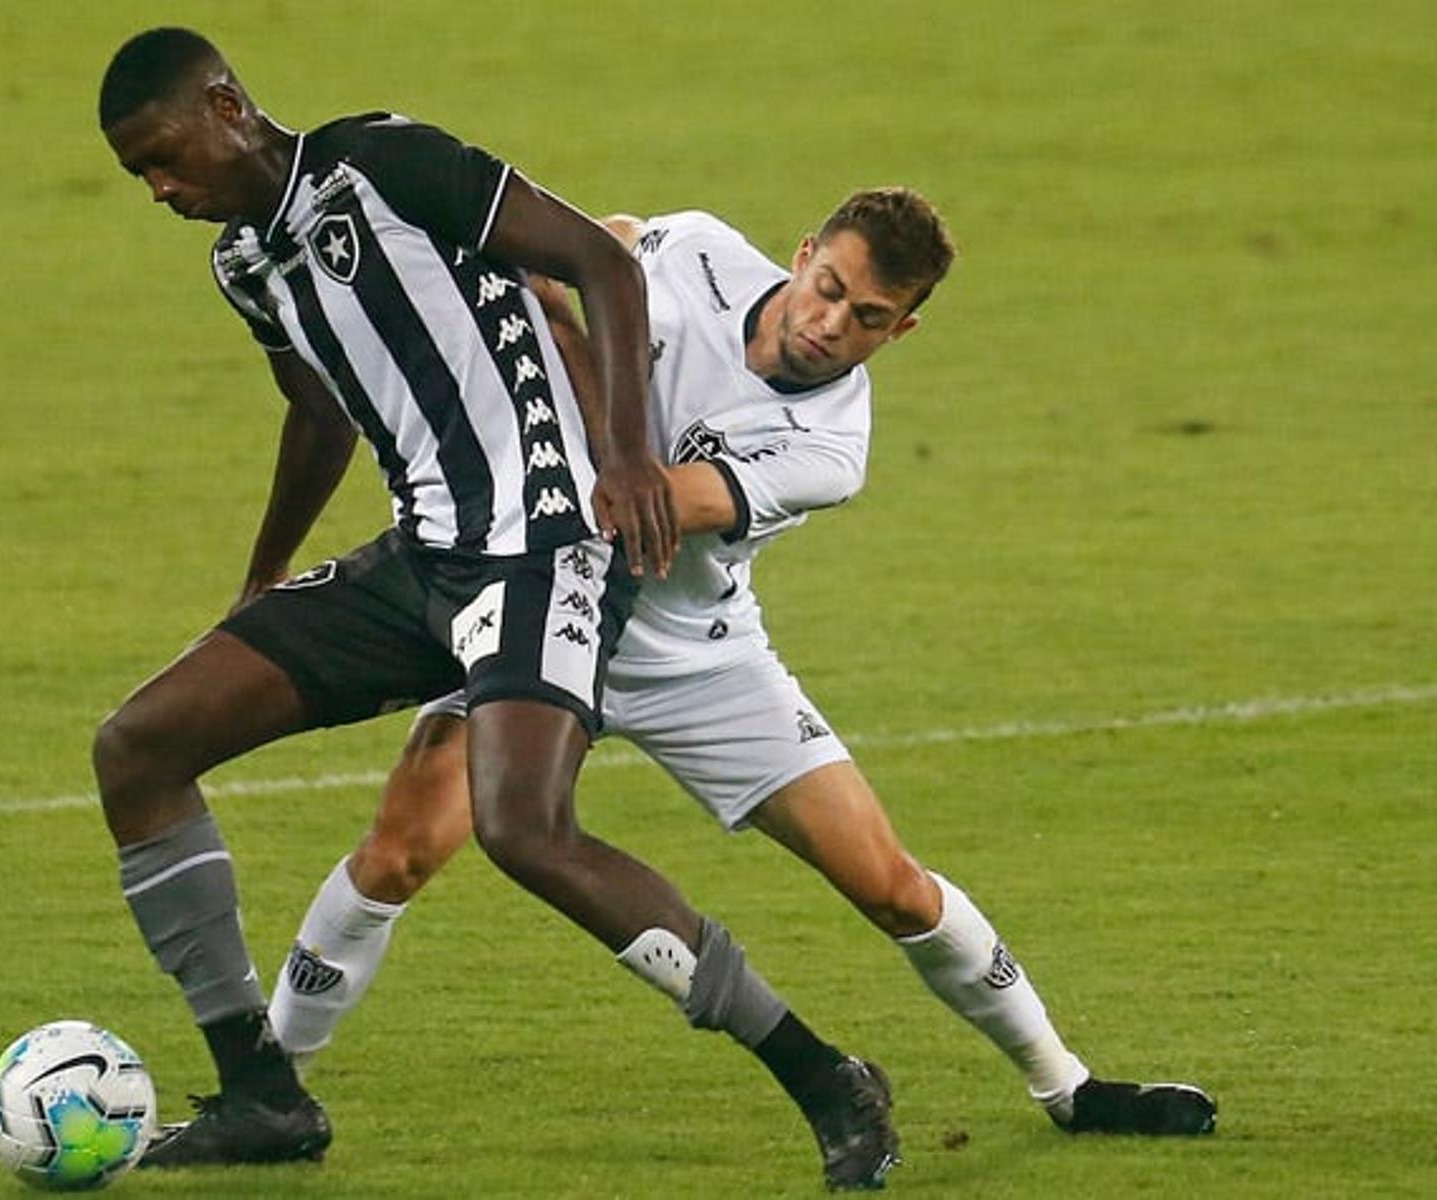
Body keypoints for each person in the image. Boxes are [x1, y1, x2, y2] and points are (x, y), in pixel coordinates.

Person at [94, 28, 901, 1190]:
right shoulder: (244, 263)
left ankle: (826, 1076)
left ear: (225, 106)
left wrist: (624, 457)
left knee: (523, 829)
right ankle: (261, 1092)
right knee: (138, 746)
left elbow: (601, 265)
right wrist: (264, 575)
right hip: (428, 555)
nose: (163, 189)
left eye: (166, 157)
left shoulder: (386, 163)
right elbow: (318, 413)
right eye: (140, 177)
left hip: (550, 546)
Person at [263, 191, 1219, 1146]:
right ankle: (271, 1089)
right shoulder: (700, 248)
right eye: (828, 288)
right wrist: (553, 287)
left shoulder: (830, 448)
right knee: (398, 850)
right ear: (802, 255)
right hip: (532, 607)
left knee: (891, 885)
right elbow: (579, 250)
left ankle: (1068, 1088)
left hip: (694, 660)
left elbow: (631, 502)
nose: (830, 324)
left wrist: (563, 353)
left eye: (868, 318)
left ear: (903, 329)